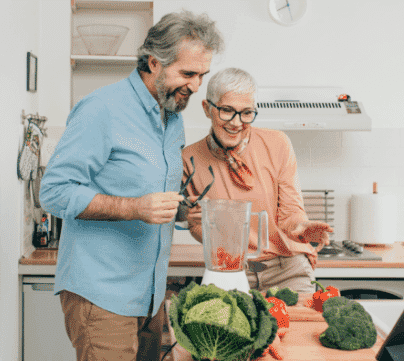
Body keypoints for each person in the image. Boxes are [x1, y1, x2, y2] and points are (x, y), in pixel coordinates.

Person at [39, 11, 224, 361]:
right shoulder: (101, 109)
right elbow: (54, 191)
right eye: (187, 73)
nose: (196, 86)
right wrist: (134, 208)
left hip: (149, 296)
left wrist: (184, 210)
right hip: (102, 297)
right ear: (154, 62)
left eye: (202, 75)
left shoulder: (171, 115)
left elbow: (152, 186)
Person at [182, 68, 334, 294]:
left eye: (246, 113)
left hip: (287, 267)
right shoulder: (189, 159)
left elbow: (290, 211)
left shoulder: (278, 143)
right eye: (227, 111)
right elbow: (194, 224)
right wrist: (201, 223)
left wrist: (300, 227)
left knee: (302, 325)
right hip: (230, 270)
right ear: (207, 108)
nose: (236, 122)